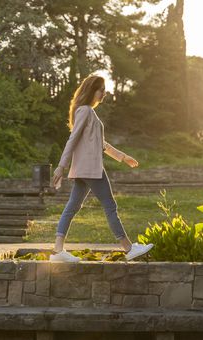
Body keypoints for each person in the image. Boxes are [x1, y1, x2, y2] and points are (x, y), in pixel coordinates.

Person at [50, 75, 153, 262]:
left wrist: (123, 157)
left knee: (72, 206)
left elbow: (102, 143)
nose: (104, 93)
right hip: (91, 169)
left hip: (84, 169)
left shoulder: (87, 112)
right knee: (110, 206)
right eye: (101, 89)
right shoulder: (85, 111)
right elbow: (72, 139)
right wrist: (60, 166)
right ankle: (129, 248)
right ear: (92, 90)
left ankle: (58, 251)